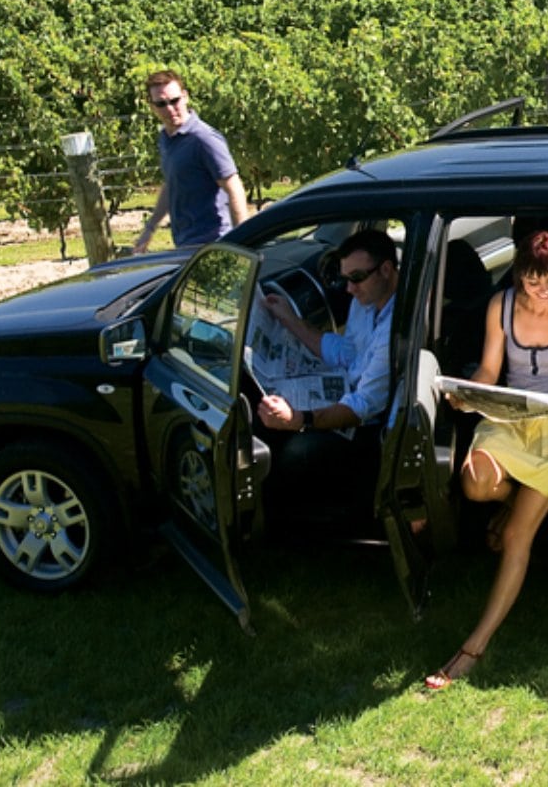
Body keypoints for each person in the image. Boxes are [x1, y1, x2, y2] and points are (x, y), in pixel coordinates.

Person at [426, 229, 548, 690]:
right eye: (534, 281)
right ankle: (516, 500)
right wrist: (470, 392)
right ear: (519, 277)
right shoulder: (501, 307)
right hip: (509, 419)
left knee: (516, 539)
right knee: (474, 483)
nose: (543, 290)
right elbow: (491, 370)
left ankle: (474, 646)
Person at [254, 229, 398, 521]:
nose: (349, 290)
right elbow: (347, 352)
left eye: (357, 278)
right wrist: (290, 321)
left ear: (386, 269)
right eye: (346, 279)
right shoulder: (365, 302)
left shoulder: (394, 329)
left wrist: (300, 419)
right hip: (348, 389)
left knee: (297, 450)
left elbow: (362, 407)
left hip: (374, 425)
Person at [134, 70, 250, 252]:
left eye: (174, 101)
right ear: (152, 106)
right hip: (186, 244)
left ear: (185, 96)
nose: (170, 109)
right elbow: (172, 184)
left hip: (213, 244)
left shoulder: (203, 139)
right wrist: (150, 228)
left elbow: (234, 187)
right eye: (161, 104)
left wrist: (243, 243)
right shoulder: (166, 138)